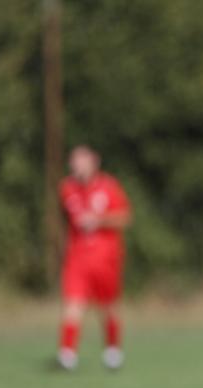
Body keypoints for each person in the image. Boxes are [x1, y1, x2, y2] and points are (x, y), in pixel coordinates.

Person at [57, 145, 132, 371]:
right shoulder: (67, 189)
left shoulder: (109, 187)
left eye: (81, 161)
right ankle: (67, 354)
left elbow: (125, 217)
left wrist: (98, 220)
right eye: (74, 161)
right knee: (73, 304)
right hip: (78, 259)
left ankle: (112, 350)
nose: (76, 166)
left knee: (108, 307)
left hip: (106, 258)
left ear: (94, 162)